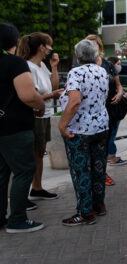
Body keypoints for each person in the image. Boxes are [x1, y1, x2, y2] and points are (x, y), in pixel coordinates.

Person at [0, 23, 46, 233]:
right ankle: (17, 219)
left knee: (2, 174)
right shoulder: (14, 63)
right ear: (14, 41)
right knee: (24, 170)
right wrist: (40, 104)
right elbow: (28, 95)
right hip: (15, 127)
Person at [58, 39, 109, 226]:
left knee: (81, 171)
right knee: (98, 167)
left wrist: (62, 125)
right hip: (101, 126)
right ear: (95, 55)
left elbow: (75, 101)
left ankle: (85, 212)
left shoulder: (76, 72)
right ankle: (99, 204)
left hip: (80, 129)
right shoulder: (101, 71)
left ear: (77, 56)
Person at [17, 32, 64, 211]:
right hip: (34, 116)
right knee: (31, 155)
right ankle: (25, 193)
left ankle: (37, 188)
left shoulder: (41, 66)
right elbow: (33, 96)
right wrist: (53, 95)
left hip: (43, 115)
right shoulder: (28, 67)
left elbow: (52, 85)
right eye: (49, 45)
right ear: (41, 47)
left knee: (39, 153)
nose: (51, 49)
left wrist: (53, 67)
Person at [85, 34, 123, 186]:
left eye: (95, 45)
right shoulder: (82, 66)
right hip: (91, 112)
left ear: (100, 47)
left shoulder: (108, 64)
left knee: (106, 143)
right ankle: (92, 174)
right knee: (91, 145)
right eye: (89, 45)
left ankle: (102, 173)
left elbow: (118, 84)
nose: (93, 48)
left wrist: (120, 93)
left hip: (110, 110)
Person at [106, 56, 127, 167]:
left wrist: (121, 93)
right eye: (118, 63)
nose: (120, 66)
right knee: (111, 134)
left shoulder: (113, 78)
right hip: (113, 111)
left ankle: (110, 156)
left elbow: (119, 87)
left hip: (113, 111)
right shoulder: (109, 76)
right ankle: (112, 156)